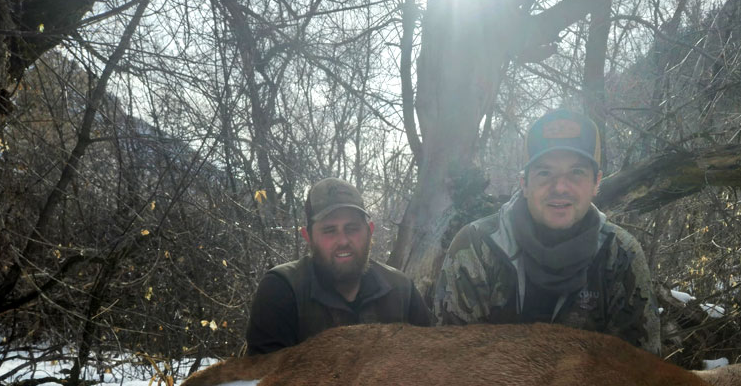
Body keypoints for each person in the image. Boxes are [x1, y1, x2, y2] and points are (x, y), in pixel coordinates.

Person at [434, 108, 661, 354]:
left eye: (576, 173)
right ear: (524, 184)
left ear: (596, 182)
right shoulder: (476, 248)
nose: (560, 187)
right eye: (545, 173)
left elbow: (640, 376)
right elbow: (451, 368)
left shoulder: (621, 255)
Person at [245, 177, 432, 355]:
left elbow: (431, 364)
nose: (343, 241)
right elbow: (265, 381)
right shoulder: (282, 289)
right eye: (329, 230)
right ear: (308, 237)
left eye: (352, 228)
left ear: (370, 231)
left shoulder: (402, 290)